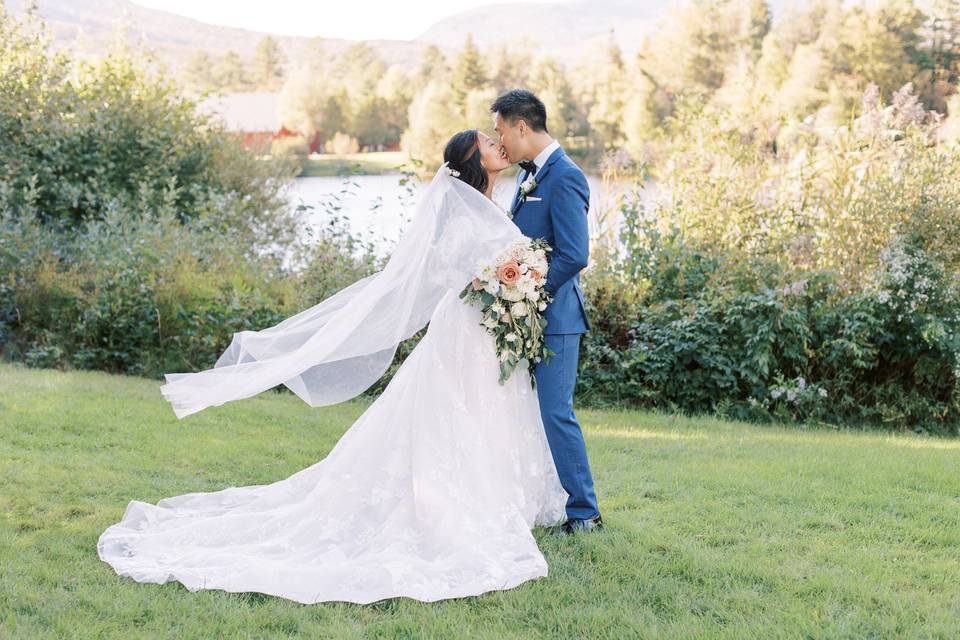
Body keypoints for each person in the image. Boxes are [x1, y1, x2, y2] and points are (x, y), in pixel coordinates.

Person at [96, 128, 577, 606]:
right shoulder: (462, 211)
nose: (498, 146)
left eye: (497, 140)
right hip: (466, 332)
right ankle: (457, 507)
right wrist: (507, 284)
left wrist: (516, 286)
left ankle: (498, 500)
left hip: (485, 331)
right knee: (457, 413)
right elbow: (457, 271)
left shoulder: (495, 200)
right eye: (488, 144)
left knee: (486, 410)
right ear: (474, 162)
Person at [492, 88, 602, 534]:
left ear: (522, 127)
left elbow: (575, 254)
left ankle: (585, 514)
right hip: (529, 317)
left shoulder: (566, 175)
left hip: (556, 319)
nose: (500, 142)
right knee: (528, 411)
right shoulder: (526, 175)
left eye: (502, 132)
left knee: (557, 411)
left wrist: (531, 294)